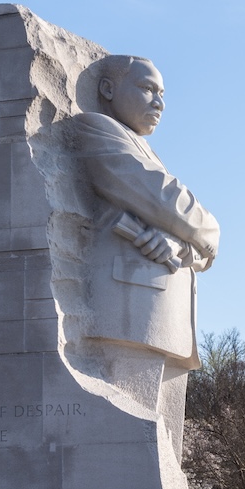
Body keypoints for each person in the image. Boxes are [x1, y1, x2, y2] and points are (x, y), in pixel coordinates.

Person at [71, 55, 220, 457]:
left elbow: (193, 245)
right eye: (148, 88)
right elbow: (166, 200)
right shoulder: (98, 129)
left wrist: (180, 245)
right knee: (123, 452)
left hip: (165, 317)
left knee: (162, 454)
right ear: (107, 90)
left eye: (163, 94)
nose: (160, 102)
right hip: (128, 312)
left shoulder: (146, 149)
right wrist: (210, 231)